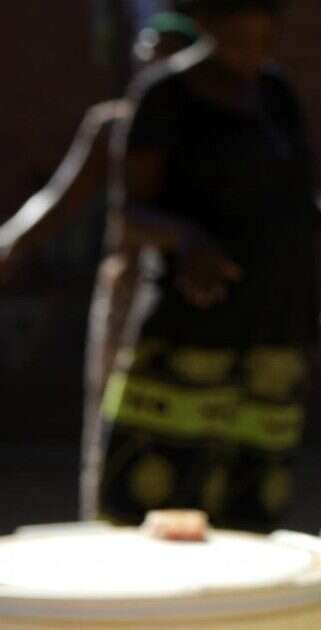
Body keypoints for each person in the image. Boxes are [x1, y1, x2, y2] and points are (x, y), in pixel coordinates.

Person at [98, 0, 321, 531]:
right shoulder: (164, 96)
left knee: (251, 509)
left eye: (264, 31)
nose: (253, 43)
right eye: (238, 30)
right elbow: (128, 214)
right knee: (155, 498)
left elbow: (300, 200)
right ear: (208, 22)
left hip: (273, 326)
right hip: (191, 329)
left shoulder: (278, 95)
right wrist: (188, 239)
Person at [0, 12, 201, 520]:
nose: (155, 64)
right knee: (119, 422)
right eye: (150, 53)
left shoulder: (212, 133)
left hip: (195, 299)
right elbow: (57, 202)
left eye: (171, 52)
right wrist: (8, 245)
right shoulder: (114, 125)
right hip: (130, 295)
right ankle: (112, 528)